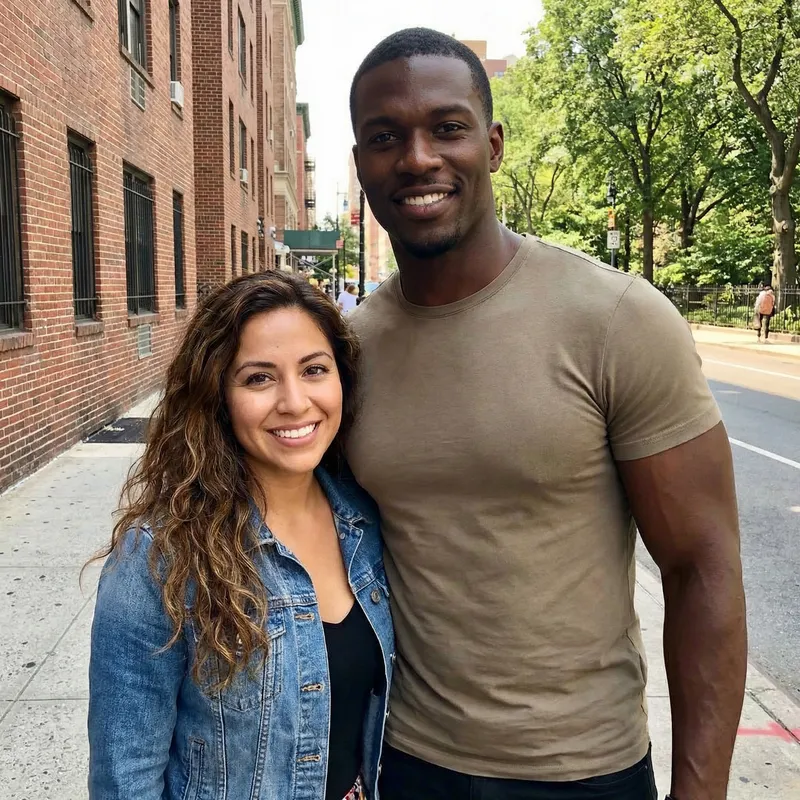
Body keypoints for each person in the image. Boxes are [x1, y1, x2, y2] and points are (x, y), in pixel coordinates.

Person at [346, 28, 746, 800]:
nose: (418, 157)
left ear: (492, 145)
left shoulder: (618, 319)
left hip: (582, 770)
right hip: (404, 761)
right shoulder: (348, 352)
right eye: (385, 137)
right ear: (361, 164)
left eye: (448, 128)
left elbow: (702, 569)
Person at [87, 272, 394, 800]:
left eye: (314, 370)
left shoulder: (365, 519)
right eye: (258, 378)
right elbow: (125, 776)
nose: (296, 403)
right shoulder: (160, 554)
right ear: (216, 395)